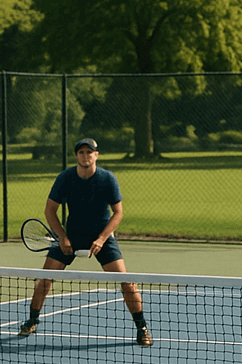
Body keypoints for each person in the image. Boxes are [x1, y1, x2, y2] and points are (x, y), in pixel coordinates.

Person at [19, 138, 152, 346]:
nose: (85, 156)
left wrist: (101, 239)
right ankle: (32, 321)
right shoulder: (65, 178)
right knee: (43, 280)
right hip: (71, 236)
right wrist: (63, 237)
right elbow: (50, 210)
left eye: (89, 152)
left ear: (96, 155)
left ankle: (141, 327)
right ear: (76, 156)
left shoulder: (107, 179)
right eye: (81, 152)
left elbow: (118, 213)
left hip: (102, 236)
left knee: (127, 282)